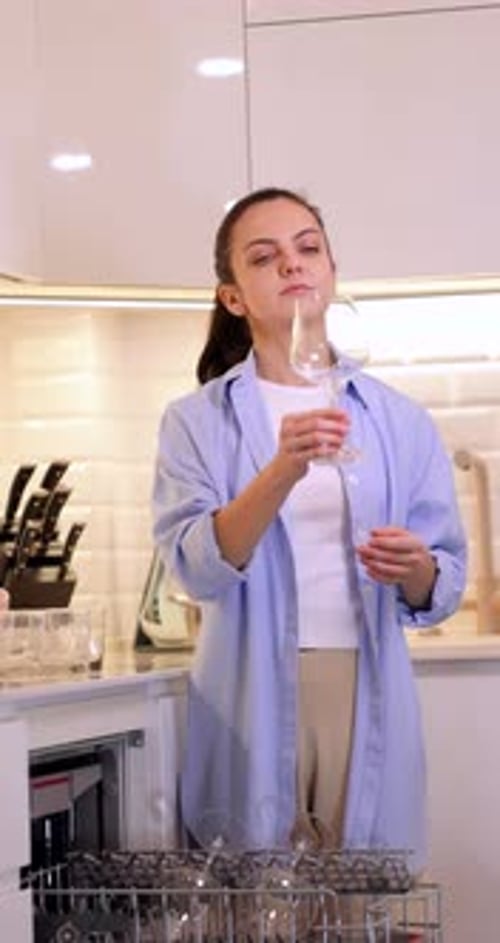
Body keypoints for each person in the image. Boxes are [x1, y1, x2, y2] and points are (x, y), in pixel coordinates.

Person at [152, 187, 467, 871]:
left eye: (308, 248)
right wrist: (282, 469)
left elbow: (442, 581)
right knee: (256, 901)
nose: (292, 265)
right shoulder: (195, 422)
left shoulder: (399, 419)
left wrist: (413, 565)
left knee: (362, 900)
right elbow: (195, 568)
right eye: (264, 257)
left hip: (366, 683)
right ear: (232, 296)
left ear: (331, 270)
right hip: (246, 691)